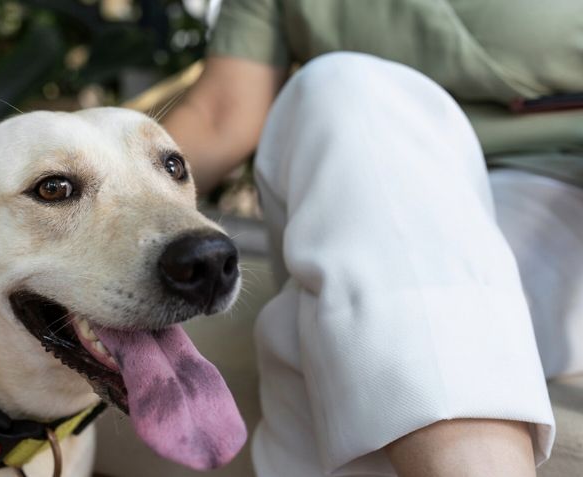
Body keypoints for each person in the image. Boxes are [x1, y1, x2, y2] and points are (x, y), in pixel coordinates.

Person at [162, 1, 583, 476]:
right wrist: (93, 193)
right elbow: (222, 114)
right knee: (341, 85)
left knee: (312, 333)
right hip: (355, 192)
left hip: (550, 194)